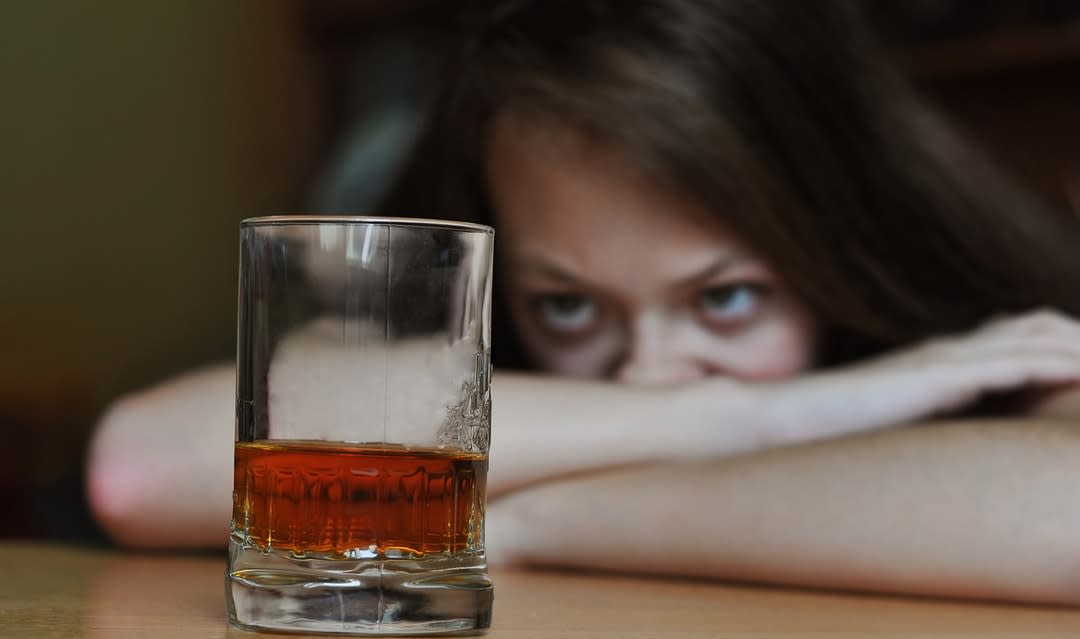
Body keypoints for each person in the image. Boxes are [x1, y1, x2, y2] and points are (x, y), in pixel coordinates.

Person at [88, 0, 1080, 604]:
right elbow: (144, 469)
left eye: (727, 297)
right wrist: (758, 414)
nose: (649, 371)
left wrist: (528, 524)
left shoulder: (980, 347)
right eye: (568, 308)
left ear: (846, 242)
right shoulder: (711, 390)